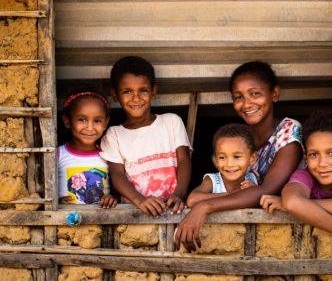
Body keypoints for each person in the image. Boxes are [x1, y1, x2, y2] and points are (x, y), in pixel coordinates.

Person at [175, 61, 304, 251]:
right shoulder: (240, 138)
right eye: (238, 97)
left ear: (274, 94)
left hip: (284, 235)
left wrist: (205, 207)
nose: (247, 103)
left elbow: (266, 190)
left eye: (255, 94)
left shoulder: (289, 131)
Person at [261, 110, 332, 252]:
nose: (322, 163)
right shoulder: (304, 176)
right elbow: (293, 202)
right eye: (314, 154)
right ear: (306, 156)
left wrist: (296, 207)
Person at [100, 56, 192, 217]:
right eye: (127, 91)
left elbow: (184, 161)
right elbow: (117, 174)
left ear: (154, 90)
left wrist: (179, 194)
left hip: (173, 210)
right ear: (114, 94)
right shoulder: (113, 135)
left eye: (143, 90)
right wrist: (140, 200)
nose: (136, 98)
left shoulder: (171, 122)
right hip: (135, 213)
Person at [58, 91, 117, 208]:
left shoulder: (108, 155)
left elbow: (117, 191)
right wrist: (57, 202)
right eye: (82, 119)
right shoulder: (57, 154)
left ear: (106, 122)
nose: (90, 128)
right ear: (67, 120)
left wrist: (111, 199)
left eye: (97, 121)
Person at [187, 123, 258, 207]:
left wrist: (254, 191)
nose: (229, 164)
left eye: (237, 156)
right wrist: (232, 195)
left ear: (252, 158)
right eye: (222, 157)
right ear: (215, 161)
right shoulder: (213, 181)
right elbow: (191, 200)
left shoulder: (251, 179)